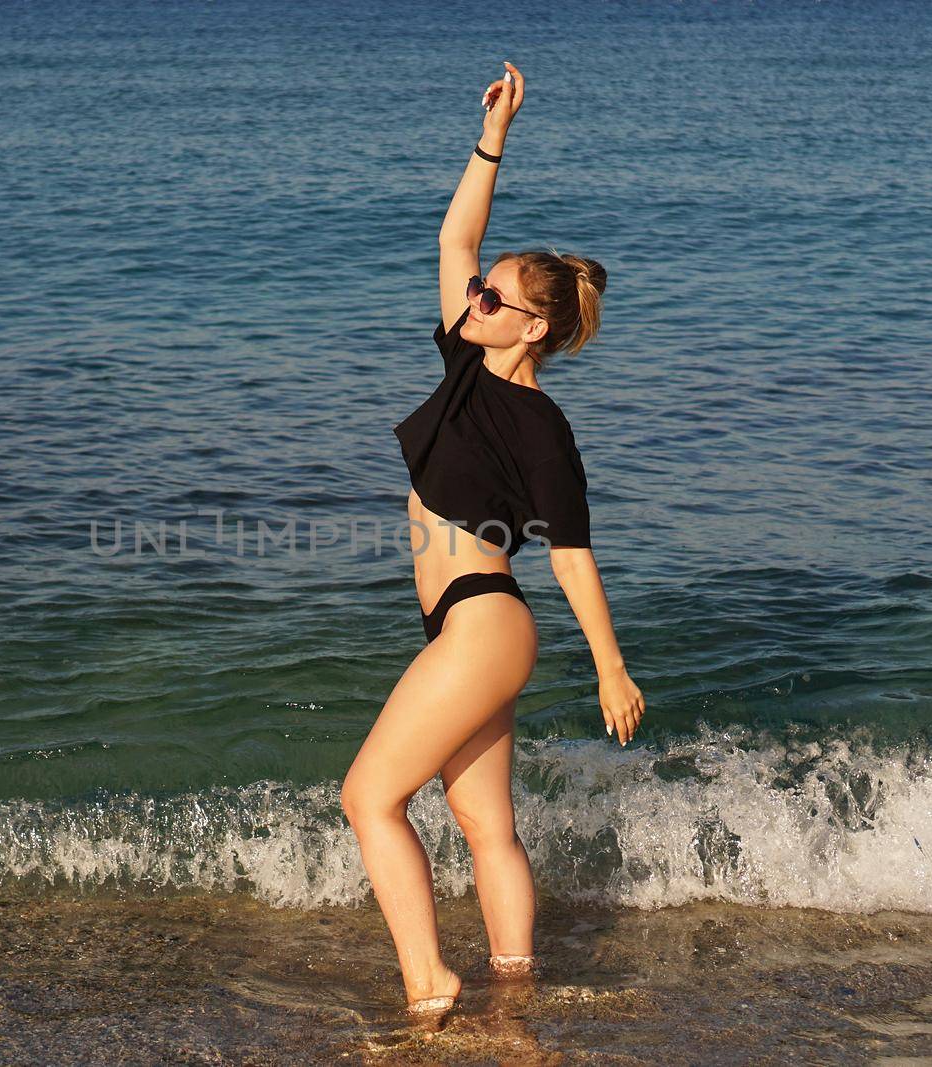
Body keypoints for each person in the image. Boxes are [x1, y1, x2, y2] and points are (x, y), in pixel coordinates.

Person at [340, 61, 646, 1017]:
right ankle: (517, 989)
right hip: (470, 630)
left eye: (491, 297)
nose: (472, 298)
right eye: (476, 291)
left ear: (536, 323)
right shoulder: (467, 365)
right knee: (483, 823)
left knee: (368, 798)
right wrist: (494, 136)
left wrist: (610, 665)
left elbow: (570, 552)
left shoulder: (544, 427)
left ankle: (430, 984)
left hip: (484, 623)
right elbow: (455, 234)